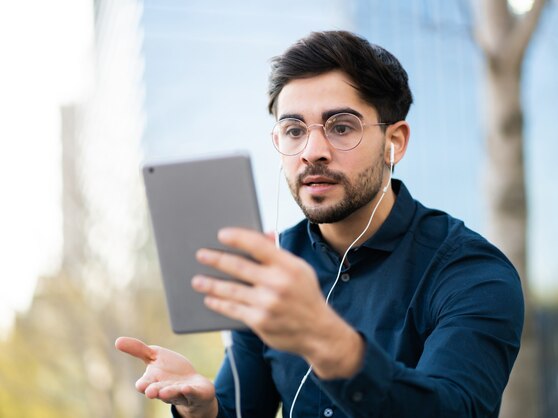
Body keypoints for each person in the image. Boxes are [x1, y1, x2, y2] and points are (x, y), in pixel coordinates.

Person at [116, 30, 524, 418]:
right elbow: (242, 406)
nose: (312, 152)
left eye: (341, 127)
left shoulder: (470, 273)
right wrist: (202, 408)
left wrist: (328, 340)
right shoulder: (270, 267)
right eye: (293, 130)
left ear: (394, 142)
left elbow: (453, 410)